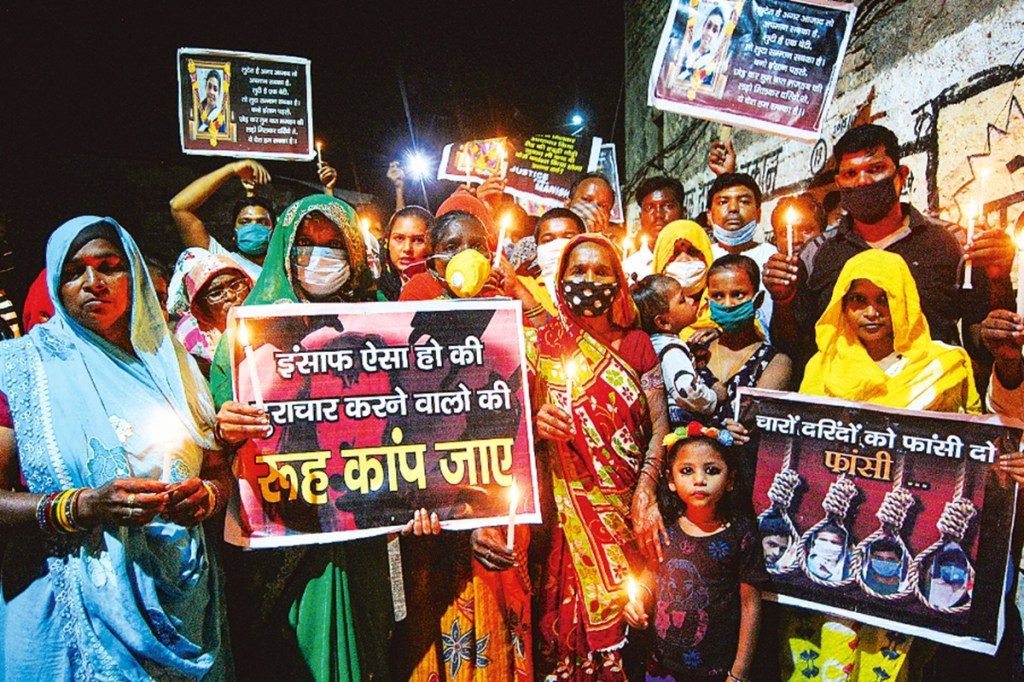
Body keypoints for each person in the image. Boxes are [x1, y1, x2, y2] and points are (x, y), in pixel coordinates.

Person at [0, 216, 231, 678]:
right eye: (73, 272)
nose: (93, 283)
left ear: (135, 276)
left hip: (180, 594)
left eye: (109, 267)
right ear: (55, 284)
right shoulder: (22, 370)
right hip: (65, 609)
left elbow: (217, 471)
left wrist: (206, 498)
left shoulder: (173, 362)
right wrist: (83, 505)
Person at [209, 194, 387, 682]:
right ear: (285, 249)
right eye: (306, 244)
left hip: (364, 535)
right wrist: (225, 429)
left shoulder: (387, 326)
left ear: (355, 254)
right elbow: (215, 444)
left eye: (334, 246)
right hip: (289, 539)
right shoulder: (246, 334)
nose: (320, 258)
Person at [784, 248, 982, 681]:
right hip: (831, 542)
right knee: (820, 656)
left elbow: (973, 450)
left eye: (884, 299)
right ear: (842, 304)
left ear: (906, 301)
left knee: (892, 661)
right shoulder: (821, 366)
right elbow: (800, 442)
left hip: (905, 541)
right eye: (858, 300)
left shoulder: (944, 367)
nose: (871, 312)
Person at [530, 234, 669, 679]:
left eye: (601, 272)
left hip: (626, 509)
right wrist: (536, 424)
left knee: (629, 619)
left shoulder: (638, 345)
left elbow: (659, 427)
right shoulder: (540, 345)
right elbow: (513, 428)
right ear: (560, 277)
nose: (588, 281)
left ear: (619, 282)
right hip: (564, 514)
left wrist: (646, 490)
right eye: (578, 271)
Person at [765, 124, 1013, 365]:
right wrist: (783, 300)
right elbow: (795, 347)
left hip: (927, 396)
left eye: (876, 169)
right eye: (851, 174)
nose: (862, 181)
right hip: (842, 400)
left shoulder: (952, 243)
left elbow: (979, 341)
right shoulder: (815, 253)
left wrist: (999, 280)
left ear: (901, 176)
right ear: (839, 184)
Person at [622, 428, 766, 681]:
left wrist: (739, 673)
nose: (699, 479)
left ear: (730, 480)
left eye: (712, 470)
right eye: (687, 471)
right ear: (670, 480)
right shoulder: (665, 527)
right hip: (661, 666)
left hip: (714, 671)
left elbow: (750, 605)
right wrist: (638, 601)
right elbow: (652, 573)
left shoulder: (740, 535)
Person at [696, 255, 791, 429]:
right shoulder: (696, 353)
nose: (728, 304)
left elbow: (752, 423)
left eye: (738, 295)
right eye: (717, 296)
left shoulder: (774, 362)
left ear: (759, 299)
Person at [633, 274, 724, 426]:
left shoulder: (652, 345)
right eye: (682, 300)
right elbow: (687, 391)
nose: (690, 301)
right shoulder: (672, 351)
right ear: (663, 322)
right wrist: (713, 397)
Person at [169, 159, 276, 279]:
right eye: (245, 222)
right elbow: (179, 208)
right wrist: (231, 169)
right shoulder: (222, 260)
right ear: (234, 233)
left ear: (274, 231)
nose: (253, 227)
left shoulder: (283, 269)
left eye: (263, 222)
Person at [707, 173, 776, 339]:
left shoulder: (772, 257)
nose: (733, 209)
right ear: (709, 216)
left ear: (758, 214)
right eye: (723, 202)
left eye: (744, 201)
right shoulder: (701, 259)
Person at [174, 253, 253, 375]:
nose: (230, 296)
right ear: (201, 308)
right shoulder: (190, 340)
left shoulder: (271, 319)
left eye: (235, 285)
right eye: (216, 294)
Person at [518, 207, 586, 317]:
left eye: (568, 238)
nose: (558, 246)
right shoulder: (522, 286)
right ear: (538, 248)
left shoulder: (597, 286)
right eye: (548, 240)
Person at [377, 205, 434, 301]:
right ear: (387, 241)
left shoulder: (439, 292)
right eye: (399, 238)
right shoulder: (373, 292)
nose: (407, 248)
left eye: (418, 240)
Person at [678, 6, 725, 86]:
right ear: (703, 27)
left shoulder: (711, 67)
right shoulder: (684, 49)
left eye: (715, 30)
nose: (709, 33)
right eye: (708, 26)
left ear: (718, 36)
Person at [770, 193, 826, 258]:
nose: (795, 240)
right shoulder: (768, 267)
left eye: (806, 231)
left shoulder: (839, 266)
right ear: (775, 240)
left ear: (823, 233)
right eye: (785, 233)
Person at [635, 176, 687, 244]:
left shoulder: (701, 254)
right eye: (649, 208)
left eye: (669, 206)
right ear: (640, 217)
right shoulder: (632, 255)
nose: (658, 214)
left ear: (684, 213)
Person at [198, 68, 228, 135]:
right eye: (209, 87)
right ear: (205, 87)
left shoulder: (219, 120)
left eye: (215, 89)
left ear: (219, 93)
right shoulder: (196, 110)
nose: (211, 92)